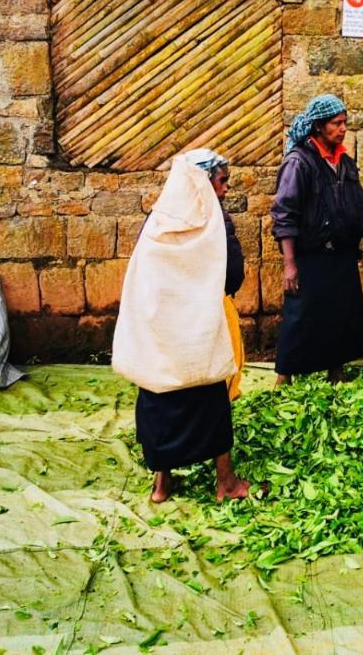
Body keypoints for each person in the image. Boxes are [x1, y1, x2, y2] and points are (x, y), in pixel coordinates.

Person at [115, 148, 257, 504]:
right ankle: (226, 482)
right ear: (203, 182)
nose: (225, 190)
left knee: (159, 400)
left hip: (161, 335)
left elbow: (145, 274)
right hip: (198, 334)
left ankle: (162, 485)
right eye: (222, 181)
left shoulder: (158, 222)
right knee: (211, 401)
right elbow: (231, 273)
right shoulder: (213, 222)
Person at [271, 94, 363, 385]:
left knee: (341, 315)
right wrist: (289, 263)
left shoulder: (345, 164)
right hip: (310, 256)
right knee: (301, 315)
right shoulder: (300, 163)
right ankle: (283, 377)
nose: (342, 129)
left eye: (344, 123)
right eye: (336, 123)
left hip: (342, 254)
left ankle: (336, 373)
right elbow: (284, 213)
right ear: (318, 128)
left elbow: (360, 211)